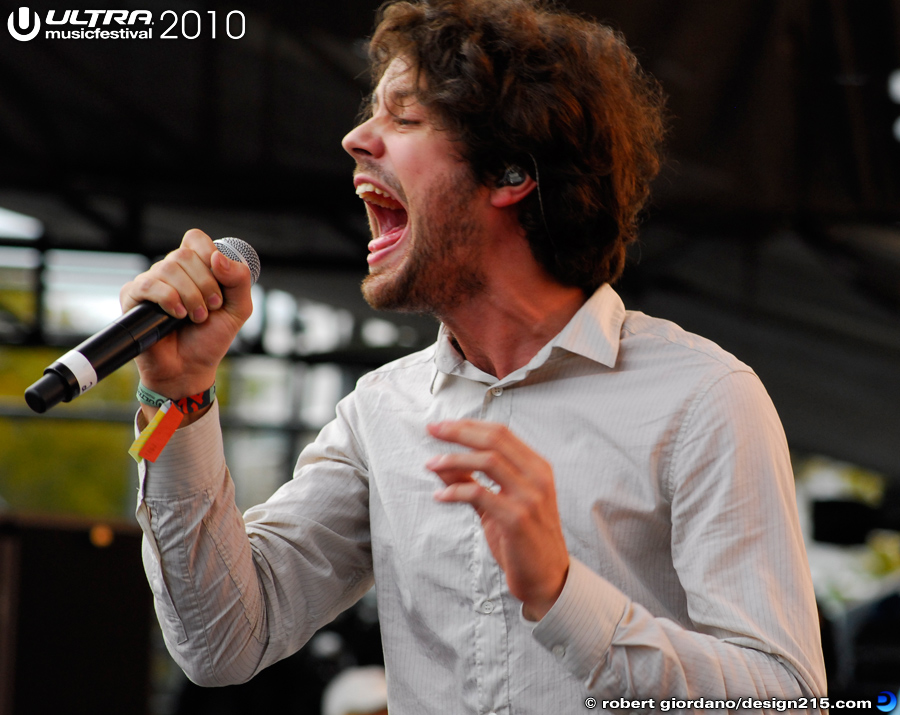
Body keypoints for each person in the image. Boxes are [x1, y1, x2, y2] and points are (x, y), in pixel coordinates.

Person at [122, 1, 827, 712]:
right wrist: (176, 399)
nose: (355, 138)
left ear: (511, 172)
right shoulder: (380, 412)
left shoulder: (703, 398)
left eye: (403, 117)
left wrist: (562, 592)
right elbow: (220, 644)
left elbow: (787, 697)